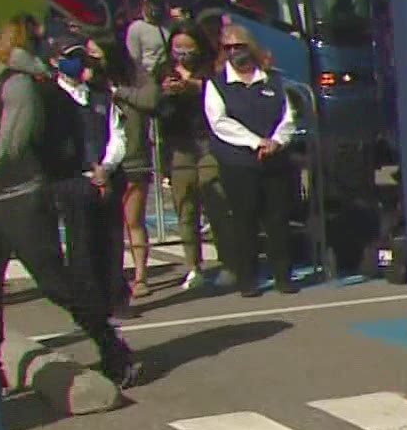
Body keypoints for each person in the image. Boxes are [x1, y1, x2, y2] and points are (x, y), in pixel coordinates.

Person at [0, 23, 136, 410]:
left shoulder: (15, 86)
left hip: (21, 201)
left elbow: (8, 148)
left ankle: (111, 345)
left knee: (55, 283)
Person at [204, 24, 299, 297]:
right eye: (229, 47)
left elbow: (288, 117)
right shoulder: (216, 84)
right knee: (244, 221)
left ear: (251, 47)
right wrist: (256, 142)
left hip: (275, 161)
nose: (235, 52)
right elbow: (220, 123)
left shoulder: (274, 80)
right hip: (238, 164)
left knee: (278, 220)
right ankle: (248, 279)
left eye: (240, 46)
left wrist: (276, 141)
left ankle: (284, 276)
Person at [47, 34, 130, 321]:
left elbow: (117, 135)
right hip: (72, 180)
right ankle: (89, 304)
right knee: (81, 243)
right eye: (68, 56)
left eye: (79, 55)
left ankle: (116, 297)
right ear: (54, 61)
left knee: (111, 238)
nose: (76, 62)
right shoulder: (48, 99)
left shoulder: (99, 96)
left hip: (106, 176)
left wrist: (106, 167)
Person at [156, 20, 228, 290]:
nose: (183, 54)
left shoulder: (210, 70)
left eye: (188, 48)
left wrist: (193, 86)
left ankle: (228, 261)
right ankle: (193, 266)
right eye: (178, 48)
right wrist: (166, 92)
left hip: (206, 141)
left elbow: (218, 91)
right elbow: (154, 104)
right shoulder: (163, 71)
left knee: (215, 198)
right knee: (185, 207)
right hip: (178, 144)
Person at [98, 34, 161, 308]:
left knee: (132, 219)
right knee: (107, 225)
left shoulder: (137, 78)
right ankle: (110, 278)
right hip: (102, 161)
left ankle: (140, 275)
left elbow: (151, 100)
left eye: (98, 54)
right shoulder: (91, 83)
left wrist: (119, 92)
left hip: (134, 159)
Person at [125, 0, 170, 80]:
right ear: (144, 6)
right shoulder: (137, 27)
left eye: (157, 5)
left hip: (167, 75)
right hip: (148, 76)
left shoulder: (168, 27)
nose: (155, 8)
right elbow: (134, 57)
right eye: (151, 5)